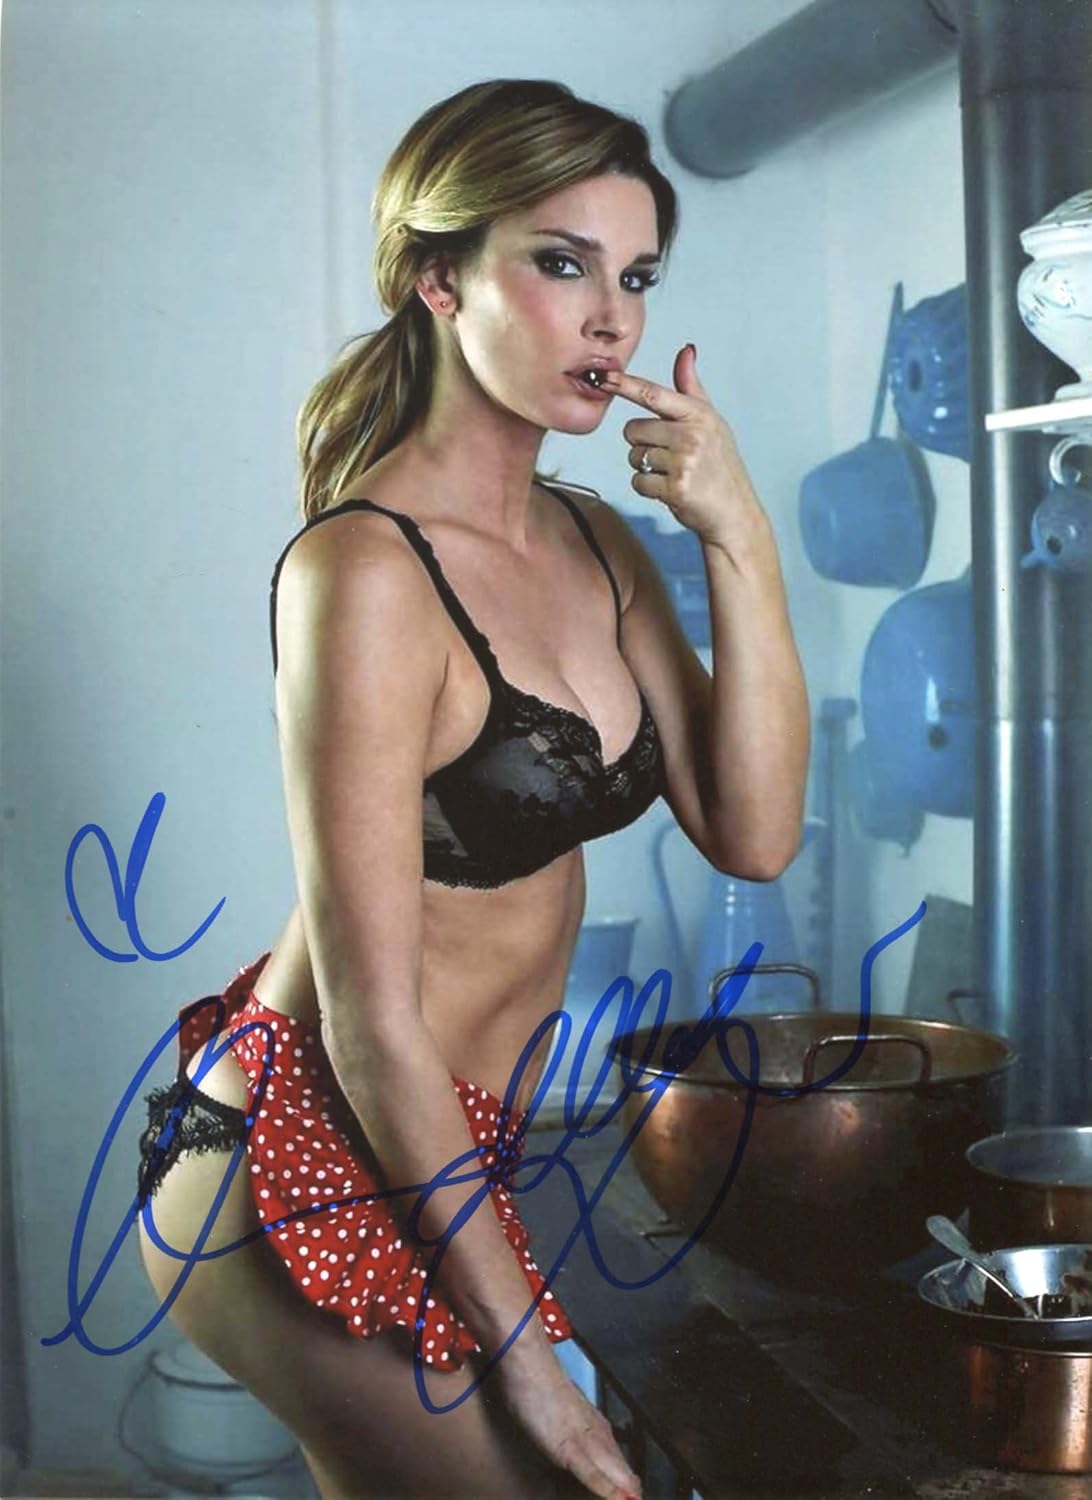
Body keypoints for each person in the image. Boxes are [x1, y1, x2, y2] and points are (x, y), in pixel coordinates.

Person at [135, 77, 810, 1500]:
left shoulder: (601, 544)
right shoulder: (364, 574)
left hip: (446, 1149)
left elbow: (753, 832)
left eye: (635, 278)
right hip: (306, 1149)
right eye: (562, 264)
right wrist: (531, 1365)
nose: (611, 318)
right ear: (438, 279)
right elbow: (373, 1022)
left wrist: (737, 532)